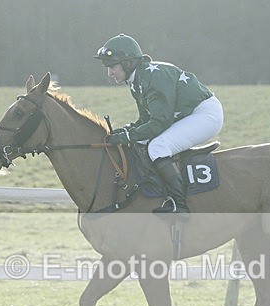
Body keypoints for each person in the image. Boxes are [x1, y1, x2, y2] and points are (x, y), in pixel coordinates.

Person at [95, 34, 223, 217]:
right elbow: (145, 120)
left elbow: (159, 123)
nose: (110, 73)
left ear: (128, 63)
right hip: (190, 113)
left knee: (158, 146)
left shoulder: (152, 77)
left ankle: (180, 205)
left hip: (204, 115)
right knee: (144, 142)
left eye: (112, 66)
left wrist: (127, 136)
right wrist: (124, 131)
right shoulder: (138, 80)